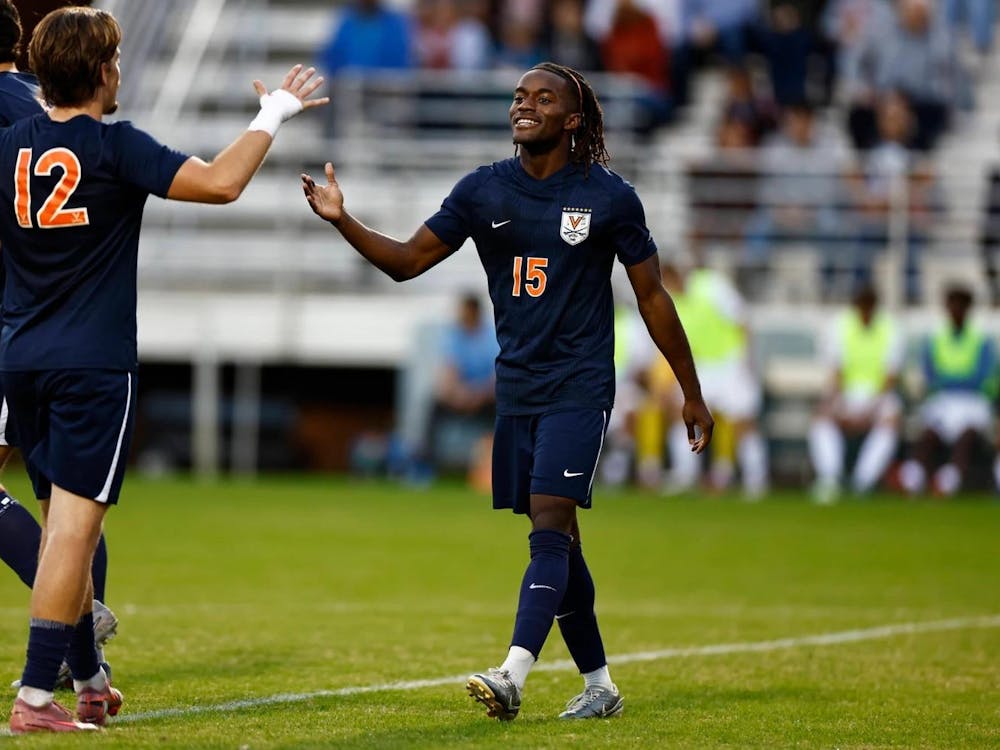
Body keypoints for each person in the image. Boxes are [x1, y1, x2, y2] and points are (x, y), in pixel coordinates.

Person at [302, 61, 713, 721]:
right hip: (517, 385)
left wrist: (690, 391)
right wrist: (342, 220)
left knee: (550, 515)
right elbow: (408, 262)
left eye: (543, 98)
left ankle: (513, 673)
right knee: (559, 536)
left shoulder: (610, 197)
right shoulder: (483, 191)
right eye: (520, 96)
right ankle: (601, 686)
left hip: (581, 382)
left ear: (573, 120)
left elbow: (653, 297)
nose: (525, 106)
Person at [0, 6, 326, 734]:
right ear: (103, 70)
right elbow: (220, 183)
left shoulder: (9, 145)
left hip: (21, 358)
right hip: (91, 364)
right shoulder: (115, 148)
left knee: (60, 525)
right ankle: (33, 697)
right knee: (74, 534)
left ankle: (86, 679)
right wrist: (274, 111)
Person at [0, 0, 117, 689]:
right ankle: (85, 660)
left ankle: (80, 625)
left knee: (67, 499)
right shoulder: (33, 106)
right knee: (70, 497)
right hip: (54, 317)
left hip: (20, 318)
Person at [659, 262, 769, 498]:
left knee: (743, 422)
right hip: (703, 368)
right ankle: (685, 474)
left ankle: (756, 480)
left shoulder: (711, 285)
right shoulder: (672, 302)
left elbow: (742, 320)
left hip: (731, 362)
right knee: (683, 415)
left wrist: (747, 361)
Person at [898, 285, 997, 496]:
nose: (956, 310)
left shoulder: (982, 340)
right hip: (944, 399)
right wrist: (959, 380)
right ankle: (914, 477)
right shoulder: (935, 339)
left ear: (968, 309)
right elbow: (930, 376)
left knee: (967, 434)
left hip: (973, 399)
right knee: (929, 433)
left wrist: (949, 380)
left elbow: (984, 378)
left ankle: (950, 478)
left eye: (960, 306)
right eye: (952, 305)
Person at [808, 284, 903, 503]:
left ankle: (863, 480)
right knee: (822, 416)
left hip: (878, 395)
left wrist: (870, 409)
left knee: (890, 420)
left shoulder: (890, 327)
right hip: (848, 392)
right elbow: (836, 372)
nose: (866, 313)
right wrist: (835, 403)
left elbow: (890, 377)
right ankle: (830, 478)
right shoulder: (840, 325)